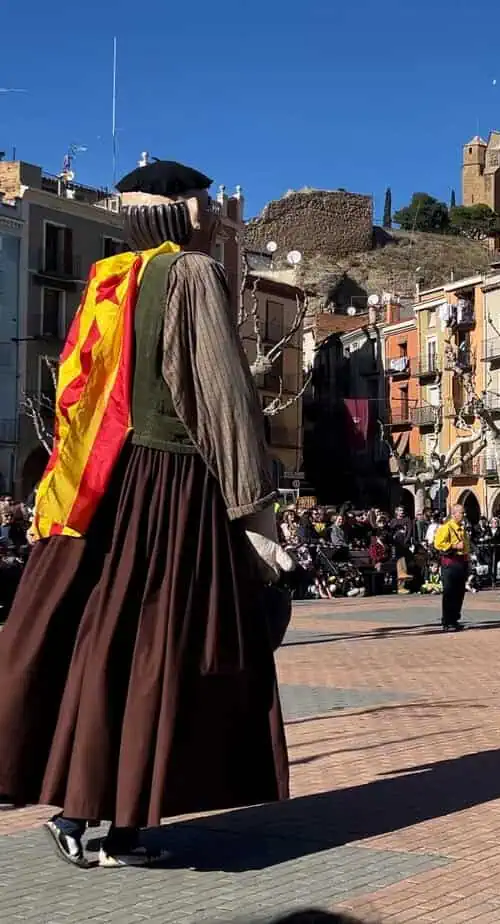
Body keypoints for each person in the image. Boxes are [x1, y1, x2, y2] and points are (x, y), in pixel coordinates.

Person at [0, 160, 291, 868]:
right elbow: (219, 393)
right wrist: (253, 504)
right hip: (174, 483)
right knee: (164, 643)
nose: (216, 213)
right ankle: (92, 815)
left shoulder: (110, 277)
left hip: (107, 481)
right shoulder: (192, 274)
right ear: (186, 213)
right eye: (206, 204)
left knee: (103, 634)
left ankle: (115, 820)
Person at [431, 502, 470, 631]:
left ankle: (455, 619)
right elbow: (438, 544)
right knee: (449, 593)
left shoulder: (462, 529)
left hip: (462, 562)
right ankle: (447, 621)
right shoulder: (446, 527)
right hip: (450, 563)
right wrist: (453, 546)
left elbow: (466, 547)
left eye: (464, 513)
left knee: (459, 593)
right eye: (461, 513)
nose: (463, 515)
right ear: (454, 514)